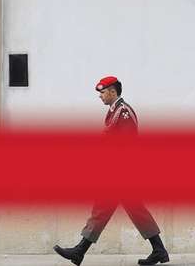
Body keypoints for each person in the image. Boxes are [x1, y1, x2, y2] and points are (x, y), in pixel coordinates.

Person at [53, 76, 170, 266]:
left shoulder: (123, 112)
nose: (100, 96)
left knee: (106, 209)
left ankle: (79, 251)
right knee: (124, 209)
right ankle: (159, 250)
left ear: (113, 92)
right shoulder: (114, 111)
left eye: (102, 92)